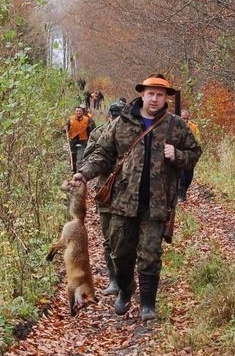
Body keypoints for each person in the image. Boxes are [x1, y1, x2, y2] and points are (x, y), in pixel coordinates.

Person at [73, 74, 202, 320]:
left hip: (157, 203)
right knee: (120, 253)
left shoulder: (176, 125)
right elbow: (103, 154)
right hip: (122, 202)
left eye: (160, 94)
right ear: (142, 94)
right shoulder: (122, 123)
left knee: (150, 254)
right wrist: (84, 174)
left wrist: (177, 155)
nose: (155, 99)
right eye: (151, 93)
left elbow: (195, 152)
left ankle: (147, 305)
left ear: (166, 98)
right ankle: (125, 288)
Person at [83, 105, 122, 297]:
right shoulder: (98, 133)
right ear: (109, 116)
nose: (115, 119)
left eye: (119, 116)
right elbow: (88, 159)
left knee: (129, 239)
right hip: (106, 190)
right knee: (108, 239)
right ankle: (114, 280)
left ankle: (127, 279)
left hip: (128, 191)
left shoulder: (132, 134)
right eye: (113, 115)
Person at [177, 108, 201, 201]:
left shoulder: (193, 127)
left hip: (190, 155)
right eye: (183, 118)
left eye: (186, 118)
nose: (185, 120)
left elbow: (198, 141)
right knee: (181, 176)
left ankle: (184, 191)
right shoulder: (175, 126)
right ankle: (181, 195)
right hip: (179, 155)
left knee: (188, 177)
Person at [65, 105, 95, 173]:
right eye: (77, 111)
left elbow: (92, 130)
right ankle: (74, 171)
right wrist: (65, 129)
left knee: (81, 157)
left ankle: (80, 172)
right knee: (73, 157)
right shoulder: (70, 119)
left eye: (80, 111)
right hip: (73, 141)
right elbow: (65, 130)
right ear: (74, 112)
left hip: (83, 141)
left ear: (82, 112)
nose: (78, 112)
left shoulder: (87, 120)